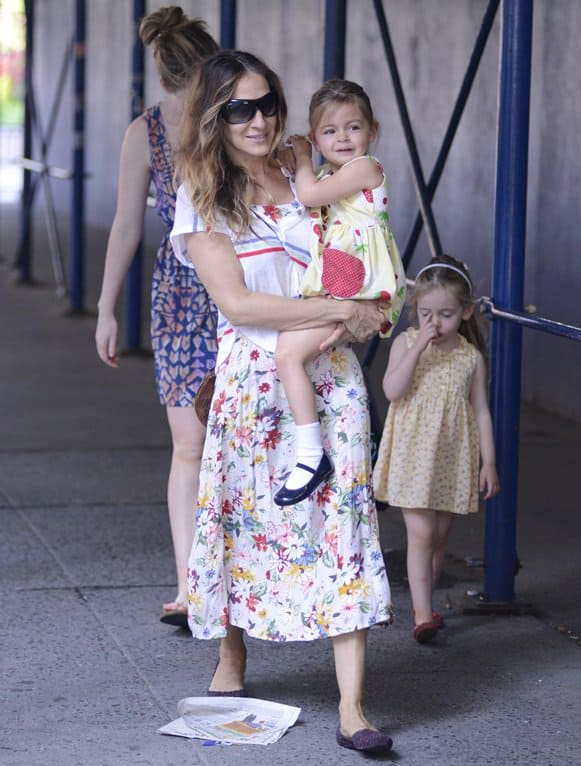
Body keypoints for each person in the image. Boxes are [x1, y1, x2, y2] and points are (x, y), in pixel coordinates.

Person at [170, 50, 394, 754]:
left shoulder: (313, 175)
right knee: (240, 515)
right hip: (253, 375)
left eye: (268, 102)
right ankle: (232, 656)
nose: (260, 119)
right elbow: (237, 301)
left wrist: (371, 307)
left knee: (345, 525)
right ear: (214, 117)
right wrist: (341, 308)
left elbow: (361, 246)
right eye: (240, 108)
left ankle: (353, 706)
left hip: (331, 376)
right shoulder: (201, 192)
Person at [94, 6, 219, 628]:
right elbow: (125, 224)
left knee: (242, 438)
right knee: (189, 442)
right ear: (181, 80)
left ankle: (245, 575)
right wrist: (105, 307)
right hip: (178, 296)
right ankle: (189, 582)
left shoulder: (233, 122)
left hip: (237, 289)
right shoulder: (143, 133)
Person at [272, 79, 406, 507]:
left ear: (373, 131)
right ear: (317, 135)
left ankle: (311, 455)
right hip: (344, 282)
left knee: (288, 354)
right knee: (309, 361)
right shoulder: (337, 175)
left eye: (353, 127)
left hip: (359, 286)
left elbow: (309, 195)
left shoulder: (365, 168)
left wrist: (302, 157)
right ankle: (353, 449)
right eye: (330, 131)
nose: (343, 138)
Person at [373, 254, 500, 643]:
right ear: (416, 311)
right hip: (413, 455)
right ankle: (423, 614)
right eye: (427, 313)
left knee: (440, 535)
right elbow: (393, 391)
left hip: (451, 457)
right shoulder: (407, 344)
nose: (435, 323)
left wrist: (489, 463)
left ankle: (424, 603)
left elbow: (481, 411)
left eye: (445, 314)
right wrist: (418, 348)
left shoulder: (470, 357)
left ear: (464, 313)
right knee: (422, 535)